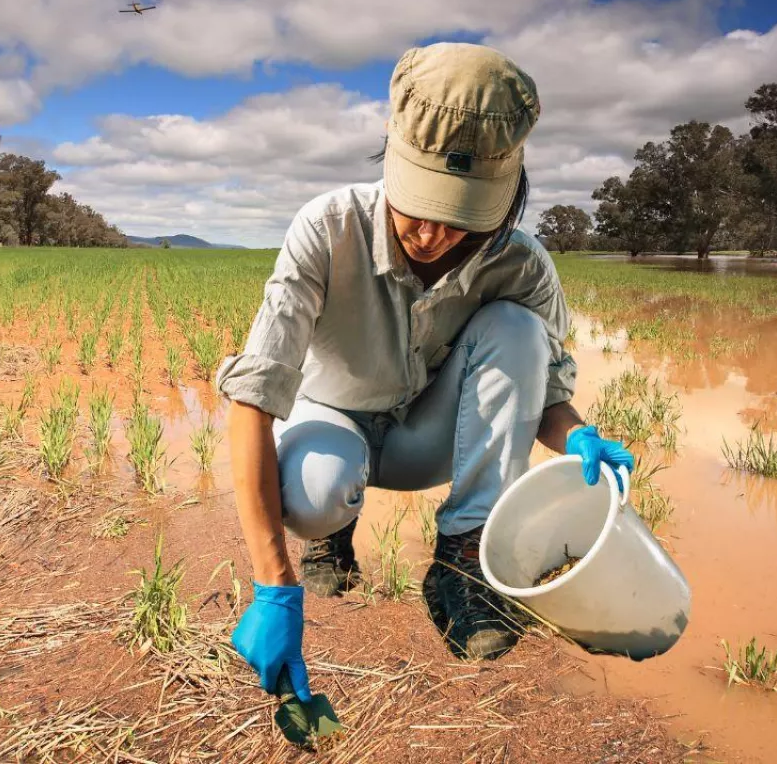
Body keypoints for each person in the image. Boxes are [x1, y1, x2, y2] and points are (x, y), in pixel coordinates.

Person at [216, 42, 635, 704]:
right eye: (422, 203)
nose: (435, 234)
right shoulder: (325, 229)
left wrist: (578, 435)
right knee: (318, 494)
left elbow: (544, 394)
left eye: (461, 213)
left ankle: (463, 562)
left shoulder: (521, 266)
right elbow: (254, 400)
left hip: (423, 438)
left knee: (518, 328)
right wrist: (273, 586)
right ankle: (332, 537)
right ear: (394, 156)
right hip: (331, 421)